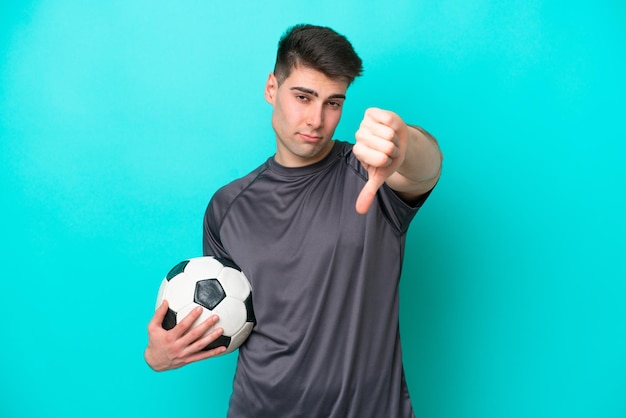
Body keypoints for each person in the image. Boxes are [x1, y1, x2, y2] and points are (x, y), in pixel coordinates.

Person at [145, 23, 443, 418]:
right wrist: (160, 354)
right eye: (303, 97)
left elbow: (425, 169)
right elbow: (225, 317)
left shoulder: (371, 173)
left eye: (333, 103)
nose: (316, 119)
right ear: (272, 88)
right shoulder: (228, 206)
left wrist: (405, 143)